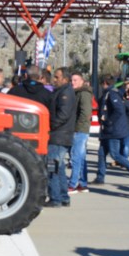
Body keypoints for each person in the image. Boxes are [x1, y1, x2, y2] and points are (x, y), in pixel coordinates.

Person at [93, 74, 129, 187]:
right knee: (101, 153)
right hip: (107, 130)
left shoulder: (112, 94)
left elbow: (119, 110)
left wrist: (109, 122)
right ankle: (100, 177)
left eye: (102, 84)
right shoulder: (109, 93)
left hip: (113, 130)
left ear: (105, 83)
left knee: (115, 154)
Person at [46, 67, 77, 207]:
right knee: (60, 167)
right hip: (60, 134)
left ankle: (56, 198)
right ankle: (63, 197)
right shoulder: (61, 91)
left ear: (65, 79)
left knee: (52, 167)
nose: (54, 79)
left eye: (57, 77)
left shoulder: (66, 93)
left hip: (59, 135)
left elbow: (63, 115)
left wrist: (50, 126)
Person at [68, 71, 93, 194]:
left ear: (82, 81)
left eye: (75, 80)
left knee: (76, 157)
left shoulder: (83, 94)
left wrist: (77, 127)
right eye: (72, 80)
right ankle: (83, 184)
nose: (73, 82)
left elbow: (85, 112)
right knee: (81, 157)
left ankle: (72, 183)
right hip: (79, 128)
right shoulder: (77, 93)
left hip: (80, 129)